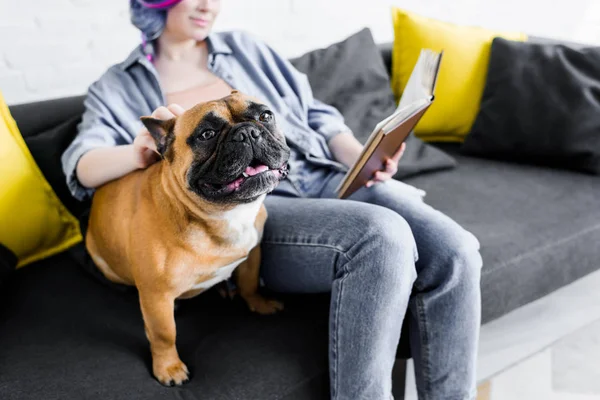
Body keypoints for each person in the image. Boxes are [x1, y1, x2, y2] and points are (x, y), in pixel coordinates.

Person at [61, 1, 483, 399]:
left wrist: (359, 154)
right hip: (249, 207)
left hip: (322, 171)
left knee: (457, 250)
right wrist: (135, 153)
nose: (209, 5)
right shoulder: (119, 84)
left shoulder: (246, 47)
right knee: (382, 236)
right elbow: (81, 163)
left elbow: (314, 112)